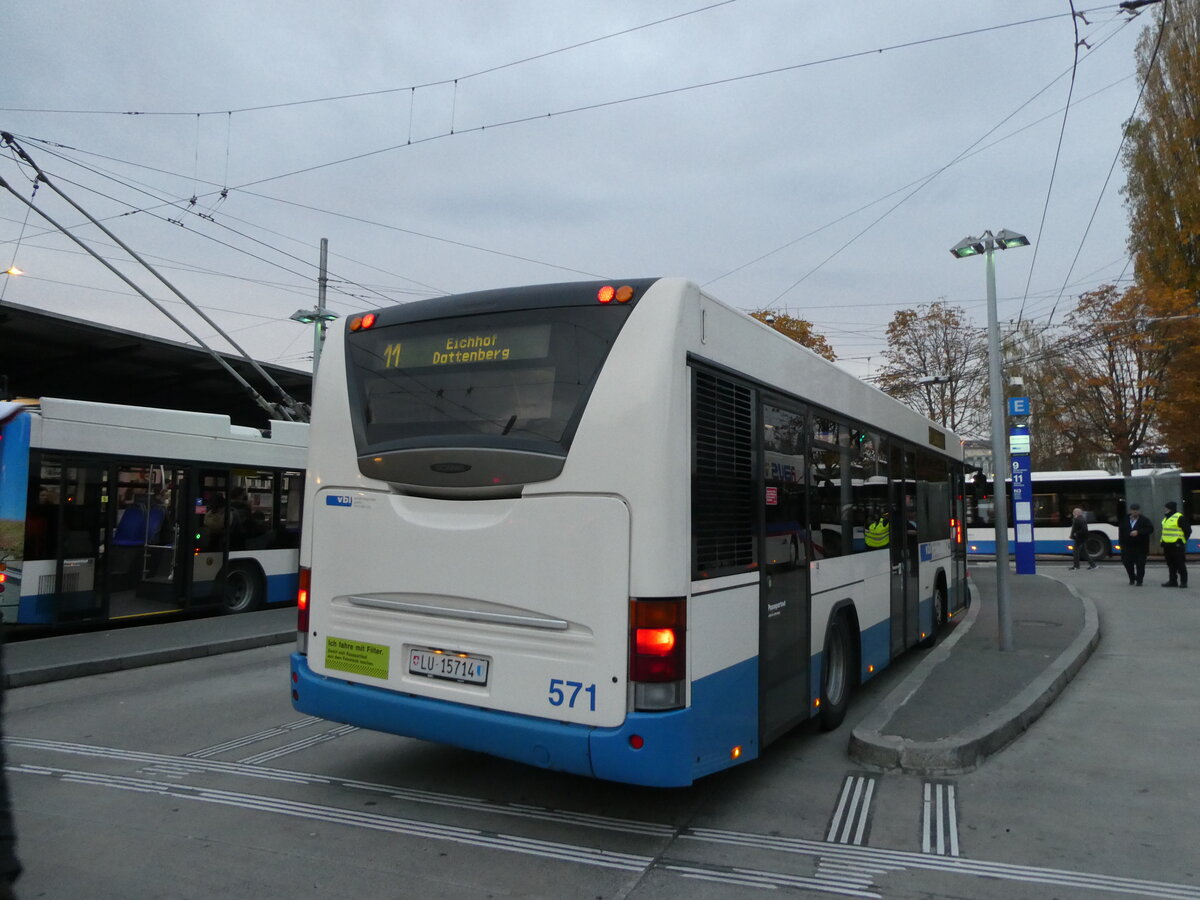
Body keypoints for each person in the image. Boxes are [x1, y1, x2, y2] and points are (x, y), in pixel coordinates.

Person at [1119, 503, 1154, 586]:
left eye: (1136, 511)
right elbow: (1121, 532)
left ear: (1139, 511)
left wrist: (1138, 532)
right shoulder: (1125, 519)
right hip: (1127, 547)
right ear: (1130, 511)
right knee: (1127, 563)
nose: (1135, 512)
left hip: (1140, 547)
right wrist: (1121, 544)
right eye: (1133, 511)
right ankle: (1132, 578)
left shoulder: (1144, 520)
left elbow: (1150, 529)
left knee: (1140, 565)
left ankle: (1139, 580)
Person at [1160, 501, 1190, 588]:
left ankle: (1183, 582)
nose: (1165, 509)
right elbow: (1165, 532)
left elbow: (1188, 530)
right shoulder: (1166, 518)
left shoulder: (1179, 517)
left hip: (1177, 545)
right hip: (1167, 545)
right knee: (1170, 564)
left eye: (1166, 508)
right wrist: (1163, 542)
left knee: (1180, 563)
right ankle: (1173, 581)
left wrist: (1181, 541)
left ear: (1171, 508)